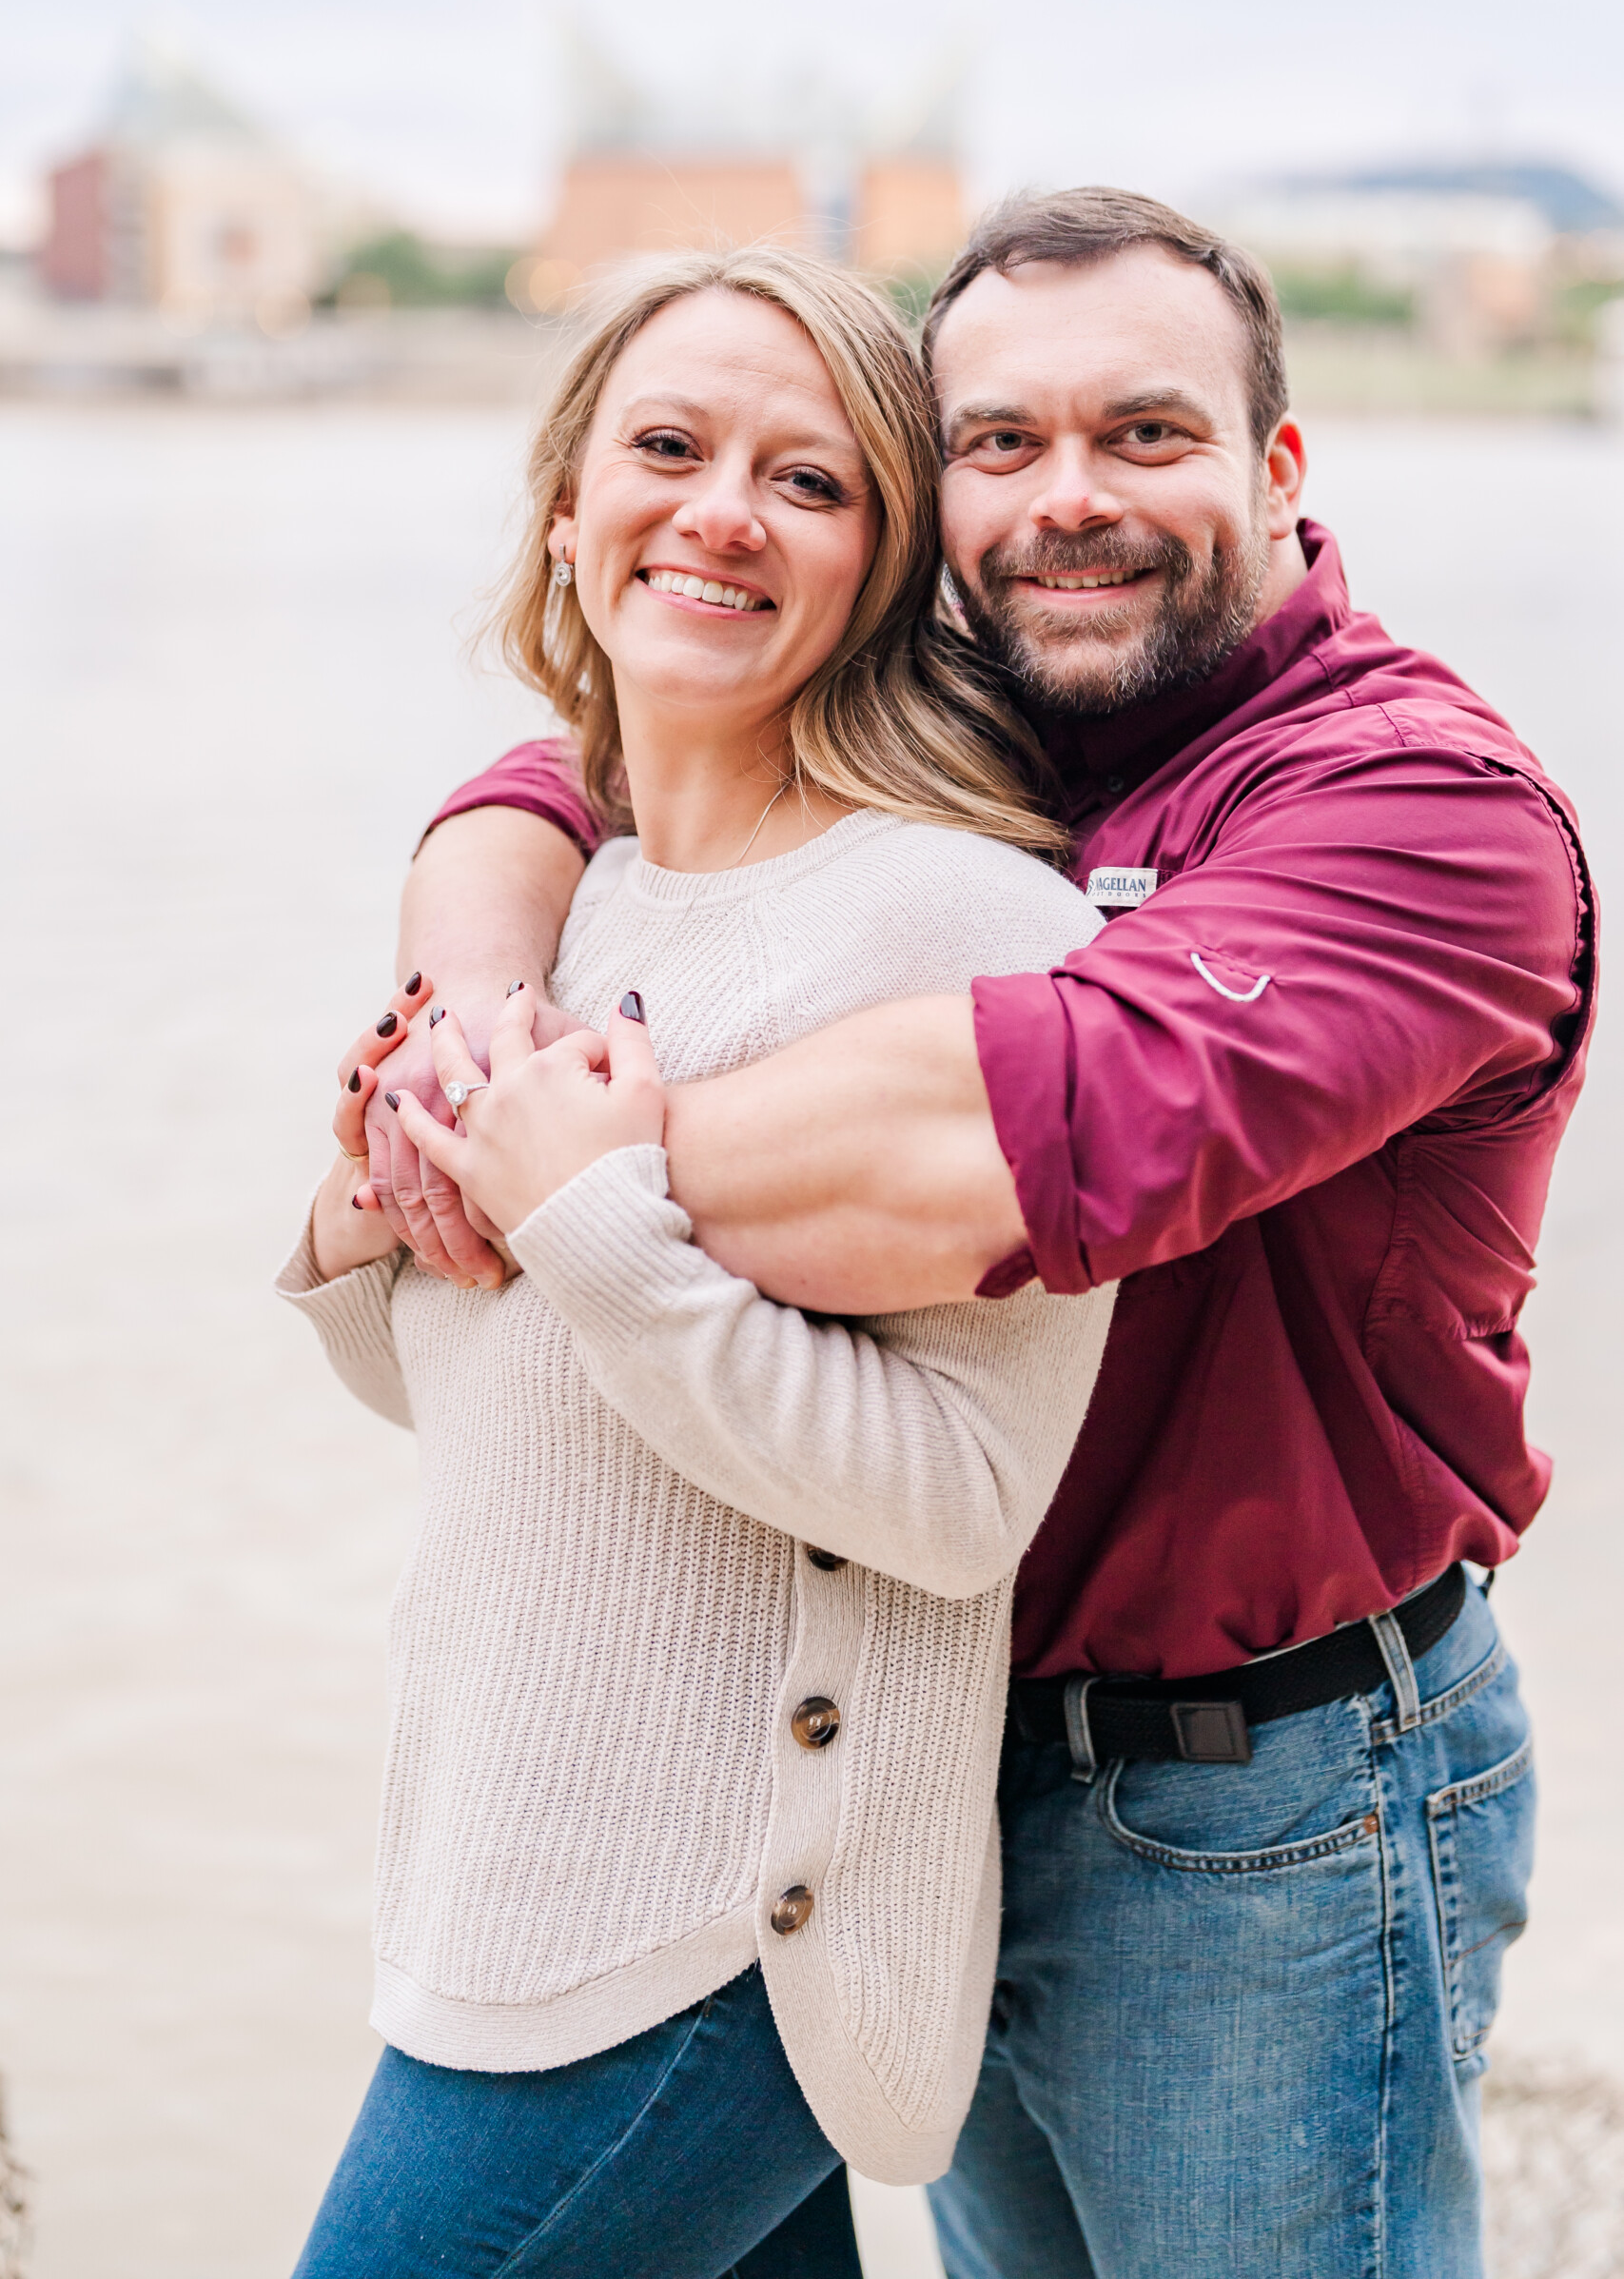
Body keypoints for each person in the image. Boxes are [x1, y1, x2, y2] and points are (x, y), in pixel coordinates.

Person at [371, 188, 1595, 2277]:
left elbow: (985, 1156)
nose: (1068, 501)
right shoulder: (991, 699)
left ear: (1276, 470)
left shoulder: (1416, 808)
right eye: (998, 444)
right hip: (931, 1755)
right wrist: (461, 1011)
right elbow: (576, 757)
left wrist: (519, 1153)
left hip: (1255, 1797)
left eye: (1144, 433)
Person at [279, 245, 1118, 2277]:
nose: (721, 509)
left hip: (713, 1928)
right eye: (666, 445)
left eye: (806, 480)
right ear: (567, 509)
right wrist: (358, 1208)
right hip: (490, 1868)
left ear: (877, 561)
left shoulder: (961, 926)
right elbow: (499, 1399)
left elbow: (956, 1499)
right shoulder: (567, 910)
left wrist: (582, 1214)